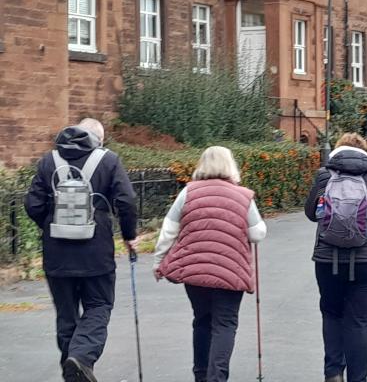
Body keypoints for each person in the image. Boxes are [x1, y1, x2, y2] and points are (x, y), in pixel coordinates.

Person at [24, 118, 137, 382]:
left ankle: (73, 370)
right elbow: (127, 201)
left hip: (57, 253)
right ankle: (82, 358)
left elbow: (33, 204)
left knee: (66, 315)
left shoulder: (48, 161)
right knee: (98, 306)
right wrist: (129, 235)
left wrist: (52, 224)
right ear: (99, 139)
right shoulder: (108, 161)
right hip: (95, 252)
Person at [153, 146, 266, 382]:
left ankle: (201, 375)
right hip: (231, 272)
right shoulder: (243, 196)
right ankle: (217, 377)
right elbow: (257, 234)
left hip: (195, 272)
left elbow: (169, 229)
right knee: (224, 324)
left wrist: (159, 261)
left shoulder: (188, 193)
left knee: (202, 320)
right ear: (230, 165)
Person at [304, 133, 367, 382]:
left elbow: (310, 213)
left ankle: (333, 372)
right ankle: (358, 378)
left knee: (331, 314)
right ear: (365, 151)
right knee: (359, 321)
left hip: (328, 258)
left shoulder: (325, 176)